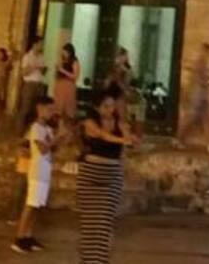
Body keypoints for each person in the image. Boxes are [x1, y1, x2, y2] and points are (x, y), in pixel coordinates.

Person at [78, 86, 136, 264]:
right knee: (90, 222)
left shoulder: (119, 123)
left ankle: (100, 259)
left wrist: (129, 137)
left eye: (112, 106)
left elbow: (129, 140)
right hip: (90, 175)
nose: (110, 110)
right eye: (106, 106)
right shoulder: (90, 122)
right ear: (97, 107)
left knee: (104, 221)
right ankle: (88, 259)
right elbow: (101, 135)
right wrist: (122, 140)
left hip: (111, 175)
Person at [13, 94, 56, 254]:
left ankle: (28, 235)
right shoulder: (36, 128)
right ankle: (19, 238)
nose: (51, 113)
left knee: (37, 206)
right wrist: (57, 138)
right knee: (31, 205)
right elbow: (43, 149)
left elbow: (53, 147)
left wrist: (64, 136)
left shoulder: (48, 129)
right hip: (37, 171)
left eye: (52, 110)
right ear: (39, 109)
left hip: (45, 170)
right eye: (49, 109)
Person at [15, 39, 47, 132]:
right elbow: (24, 72)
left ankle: (32, 131)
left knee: (37, 109)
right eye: (40, 44)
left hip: (39, 84)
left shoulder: (41, 57)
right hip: (30, 84)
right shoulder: (27, 57)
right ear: (35, 44)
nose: (42, 46)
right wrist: (34, 67)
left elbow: (43, 72)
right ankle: (19, 130)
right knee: (25, 108)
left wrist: (43, 69)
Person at [54, 44, 80, 125]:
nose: (63, 53)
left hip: (69, 86)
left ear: (69, 52)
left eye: (65, 52)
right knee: (59, 108)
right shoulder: (62, 60)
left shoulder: (74, 61)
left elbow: (75, 76)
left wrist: (63, 70)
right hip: (60, 85)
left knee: (68, 108)